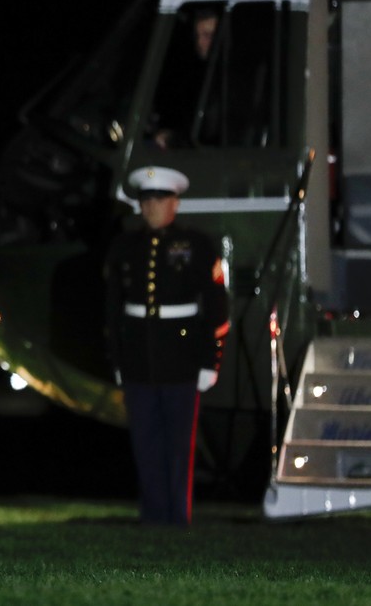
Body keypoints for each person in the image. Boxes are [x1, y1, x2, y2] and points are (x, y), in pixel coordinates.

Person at [103, 166, 229, 525]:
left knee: (179, 444)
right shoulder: (125, 246)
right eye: (146, 200)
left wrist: (210, 360)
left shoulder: (197, 245)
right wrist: (116, 357)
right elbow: (113, 306)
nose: (152, 207)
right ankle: (153, 514)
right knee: (145, 441)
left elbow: (216, 306)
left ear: (175, 202)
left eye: (159, 199)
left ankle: (178, 515)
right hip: (139, 356)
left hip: (181, 356)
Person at [152, 8, 220, 150]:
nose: (200, 42)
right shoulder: (197, 72)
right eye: (197, 36)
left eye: (208, 35)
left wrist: (176, 139)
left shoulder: (230, 78)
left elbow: (212, 134)